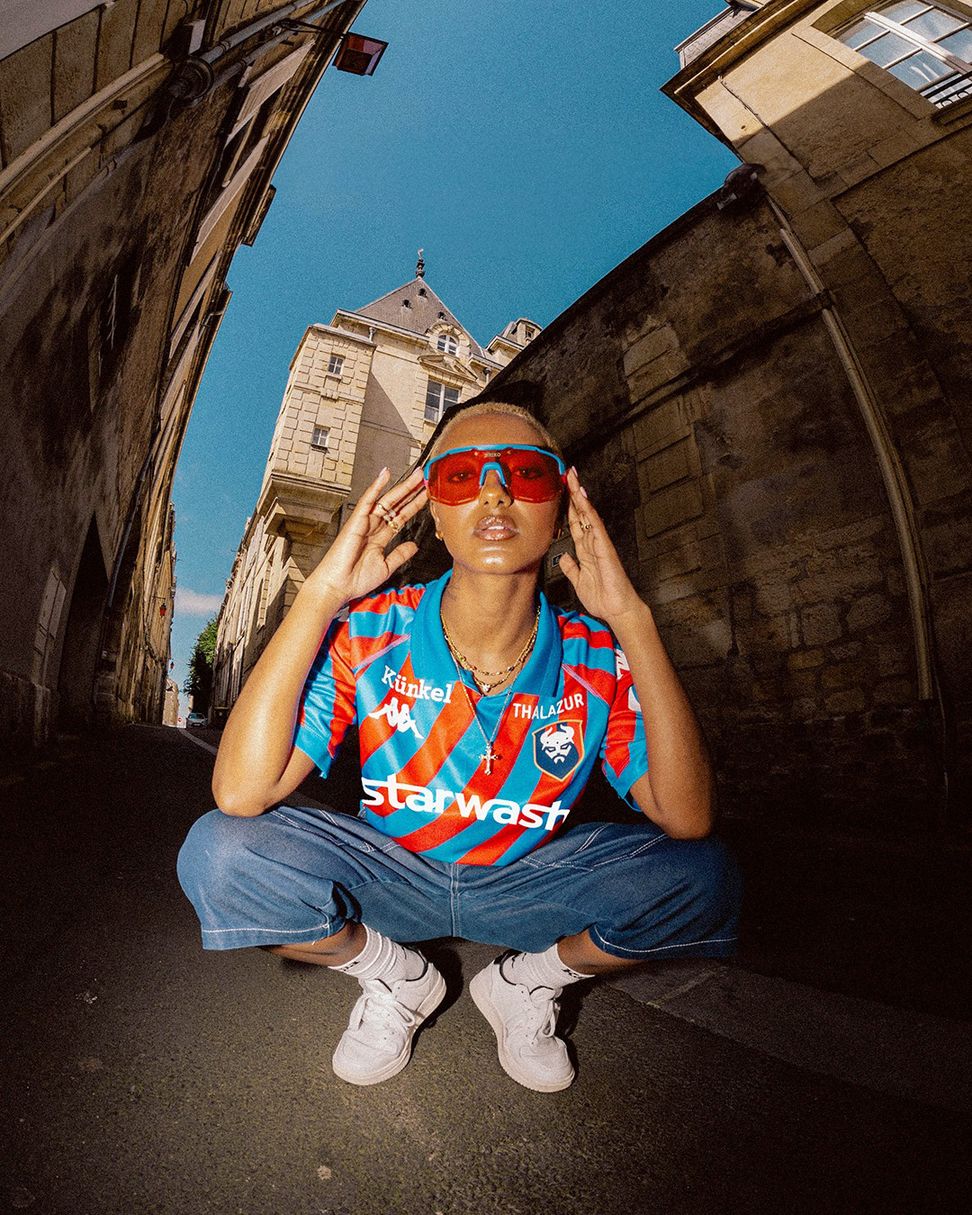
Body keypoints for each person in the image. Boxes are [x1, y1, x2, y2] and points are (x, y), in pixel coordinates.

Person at [177, 400, 741, 1093]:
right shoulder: (372, 630)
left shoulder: (595, 653)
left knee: (705, 876)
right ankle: (395, 976)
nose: (495, 492)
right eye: (461, 476)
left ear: (561, 508)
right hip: (392, 876)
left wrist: (634, 619)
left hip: (524, 882)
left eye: (526, 473)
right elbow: (241, 791)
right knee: (219, 854)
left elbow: (687, 816)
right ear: (436, 516)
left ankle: (529, 981)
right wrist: (321, 595)